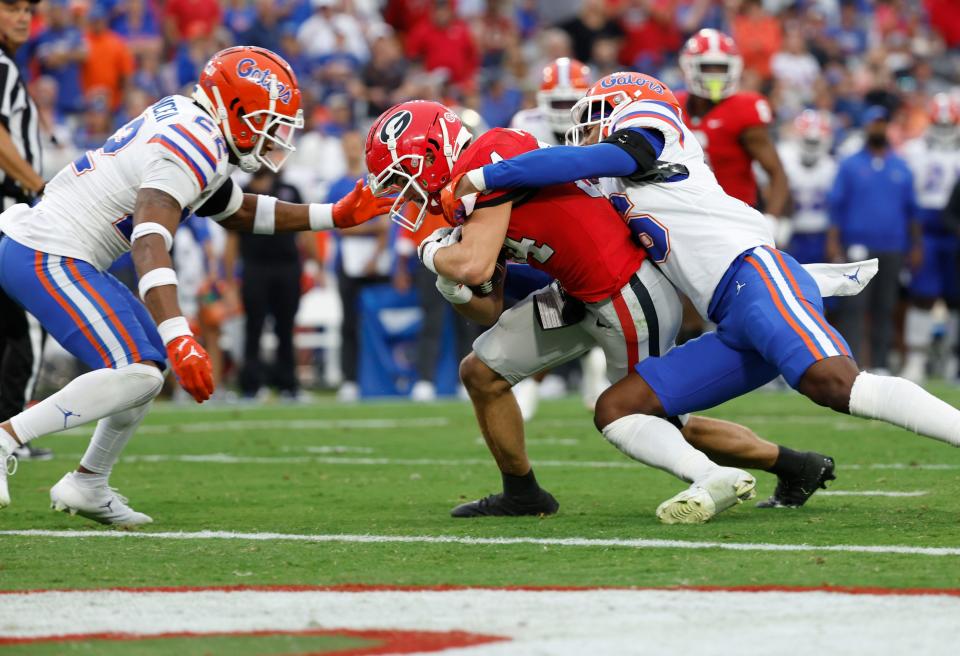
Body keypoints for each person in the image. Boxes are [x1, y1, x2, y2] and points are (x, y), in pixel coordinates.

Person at [448, 71, 960, 521]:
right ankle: (723, 476)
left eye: (597, 115)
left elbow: (625, 150)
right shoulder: (617, 189)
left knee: (833, 383)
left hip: (755, 276)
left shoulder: (657, 134)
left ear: (626, 104)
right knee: (619, 408)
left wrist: (490, 175)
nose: (588, 129)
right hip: (730, 318)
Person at [368, 100, 835, 523]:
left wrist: (431, 254)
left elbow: (470, 263)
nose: (403, 194)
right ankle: (523, 493)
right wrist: (453, 289)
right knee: (482, 372)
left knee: (652, 417)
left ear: (431, 155)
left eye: (398, 177)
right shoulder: (467, 202)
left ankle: (779, 467)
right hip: (575, 293)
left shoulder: (492, 153)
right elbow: (487, 306)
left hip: (629, 291)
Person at [0, 46, 391, 524]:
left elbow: (238, 210)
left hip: (51, 250)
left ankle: (88, 481)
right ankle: (6, 438)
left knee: (143, 370)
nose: (275, 136)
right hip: (45, 253)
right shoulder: (195, 142)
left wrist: (335, 215)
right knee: (139, 370)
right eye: (268, 119)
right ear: (235, 107)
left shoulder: (199, 128)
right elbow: (149, 240)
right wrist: (181, 334)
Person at [828, 105, 921, 372]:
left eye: (882, 123)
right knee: (853, 307)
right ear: (867, 127)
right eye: (874, 123)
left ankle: (880, 364)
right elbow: (837, 205)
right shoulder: (850, 164)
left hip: (892, 245)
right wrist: (834, 241)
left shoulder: (901, 166)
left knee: (885, 306)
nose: (878, 128)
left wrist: (916, 245)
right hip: (857, 244)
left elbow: (911, 210)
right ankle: (853, 364)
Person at [0, 0, 51, 462]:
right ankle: (10, 433)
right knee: (28, 325)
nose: (22, 17)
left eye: (28, 9)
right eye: (10, 6)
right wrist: (38, 185)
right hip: (7, 216)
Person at [677, 29, 790, 239]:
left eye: (721, 68)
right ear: (688, 66)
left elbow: (777, 173)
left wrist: (772, 219)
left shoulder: (744, 109)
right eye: (707, 67)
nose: (714, 75)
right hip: (684, 218)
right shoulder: (672, 106)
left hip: (735, 220)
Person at [900, 94, 960, 384]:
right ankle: (917, 359)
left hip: (956, 226)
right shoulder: (914, 150)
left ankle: (951, 359)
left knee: (956, 297)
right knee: (922, 295)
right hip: (925, 227)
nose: (946, 128)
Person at [234, 168, 306, 400]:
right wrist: (227, 278)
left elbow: (305, 229)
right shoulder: (239, 193)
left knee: (285, 327)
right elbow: (231, 238)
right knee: (253, 327)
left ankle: (288, 384)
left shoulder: (289, 190)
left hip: (287, 266)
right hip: (254, 267)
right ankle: (251, 385)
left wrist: (317, 264)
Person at [779, 110, 837, 265]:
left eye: (815, 142)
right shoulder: (785, 162)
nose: (811, 146)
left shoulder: (831, 168)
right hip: (793, 232)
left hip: (821, 233)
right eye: (808, 141)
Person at [510, 57, 591, 146]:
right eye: (557, 104)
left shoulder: (597, 125)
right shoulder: (524, 123)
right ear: (543, 100)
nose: (563, 110)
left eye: (570, 103)